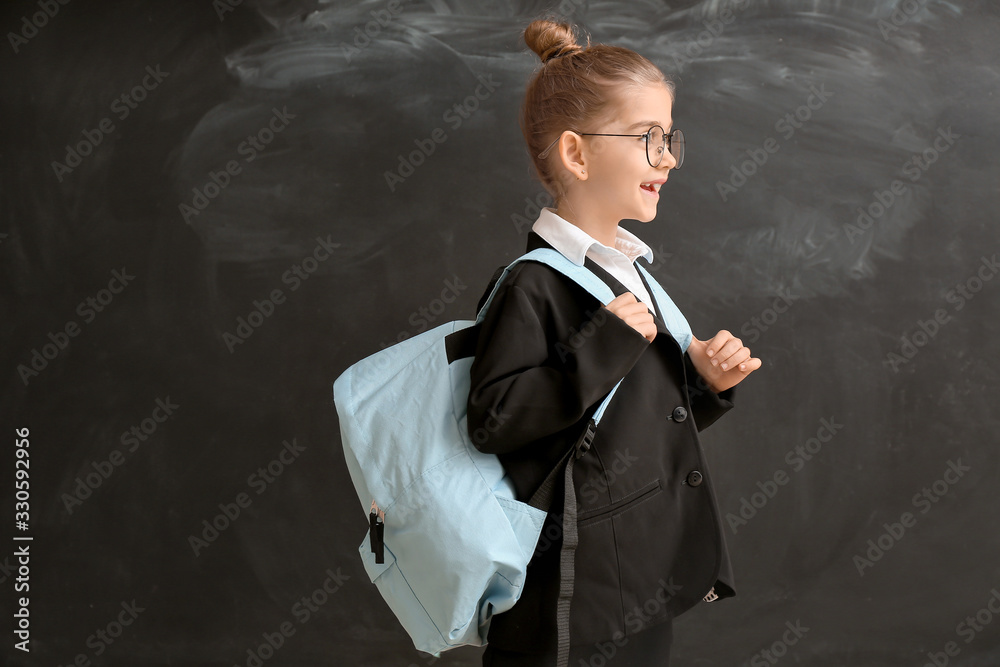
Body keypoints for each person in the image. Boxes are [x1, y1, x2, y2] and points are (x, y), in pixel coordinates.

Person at [466, 17, 762, 667]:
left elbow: (627, 423)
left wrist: (705, 386)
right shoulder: (534, 286)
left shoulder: (630, 273)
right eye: (649, 138)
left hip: (635, 575)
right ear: (577, 153)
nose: (670, 157)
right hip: (568, 593)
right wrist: (602, 345)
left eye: (670, 138)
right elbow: (493, 420)